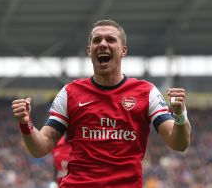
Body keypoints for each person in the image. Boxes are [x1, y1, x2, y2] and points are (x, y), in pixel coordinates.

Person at [11, 19, 191, 188]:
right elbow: (41, 146)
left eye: (111, 40)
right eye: (97, 40)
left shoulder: (146, 92)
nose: (103, 44)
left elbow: (178, 143)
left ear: (123, 50)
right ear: (90, 51)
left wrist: (180, 115)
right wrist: (25, 124)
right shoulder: (70, 93)